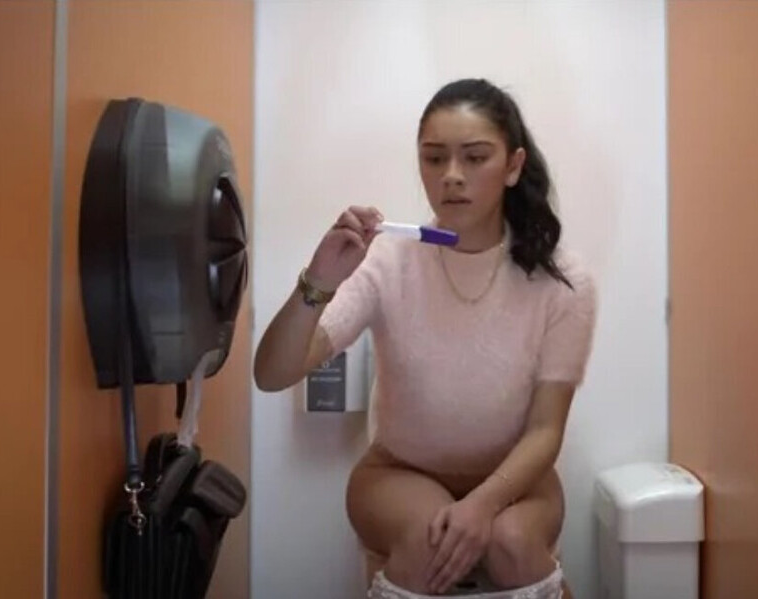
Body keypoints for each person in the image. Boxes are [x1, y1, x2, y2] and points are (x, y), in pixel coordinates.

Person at [254, 78, 597, 597]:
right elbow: (272, 374)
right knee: (429, 539)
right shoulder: (388, 260)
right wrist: (319, 280)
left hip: (518, 482)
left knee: (511, 544)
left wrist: (482, 505)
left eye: (474, 157)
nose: (451, 175)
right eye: (434, 158)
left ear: (513, 166)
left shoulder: (563, 281)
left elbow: (546, 431)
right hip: (398, 473)